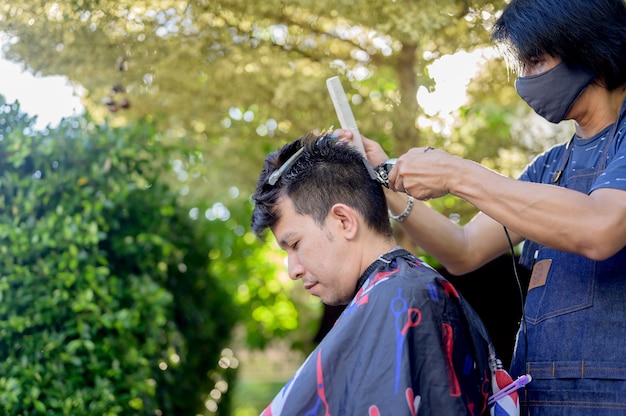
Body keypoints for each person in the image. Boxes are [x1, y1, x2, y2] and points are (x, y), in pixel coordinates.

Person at [338, 0, 626, 414]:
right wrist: (383, 179)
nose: (525, 81)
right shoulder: (549, 167)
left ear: (587, 45)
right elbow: (463, 248)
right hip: (537, 399)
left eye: (536, 61)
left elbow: (602, 226)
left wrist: (459, 174)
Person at [250, 130, 519, 416]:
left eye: (294, 244)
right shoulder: (395, 294)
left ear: (344, 221)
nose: (293, 270)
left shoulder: (410, 297)